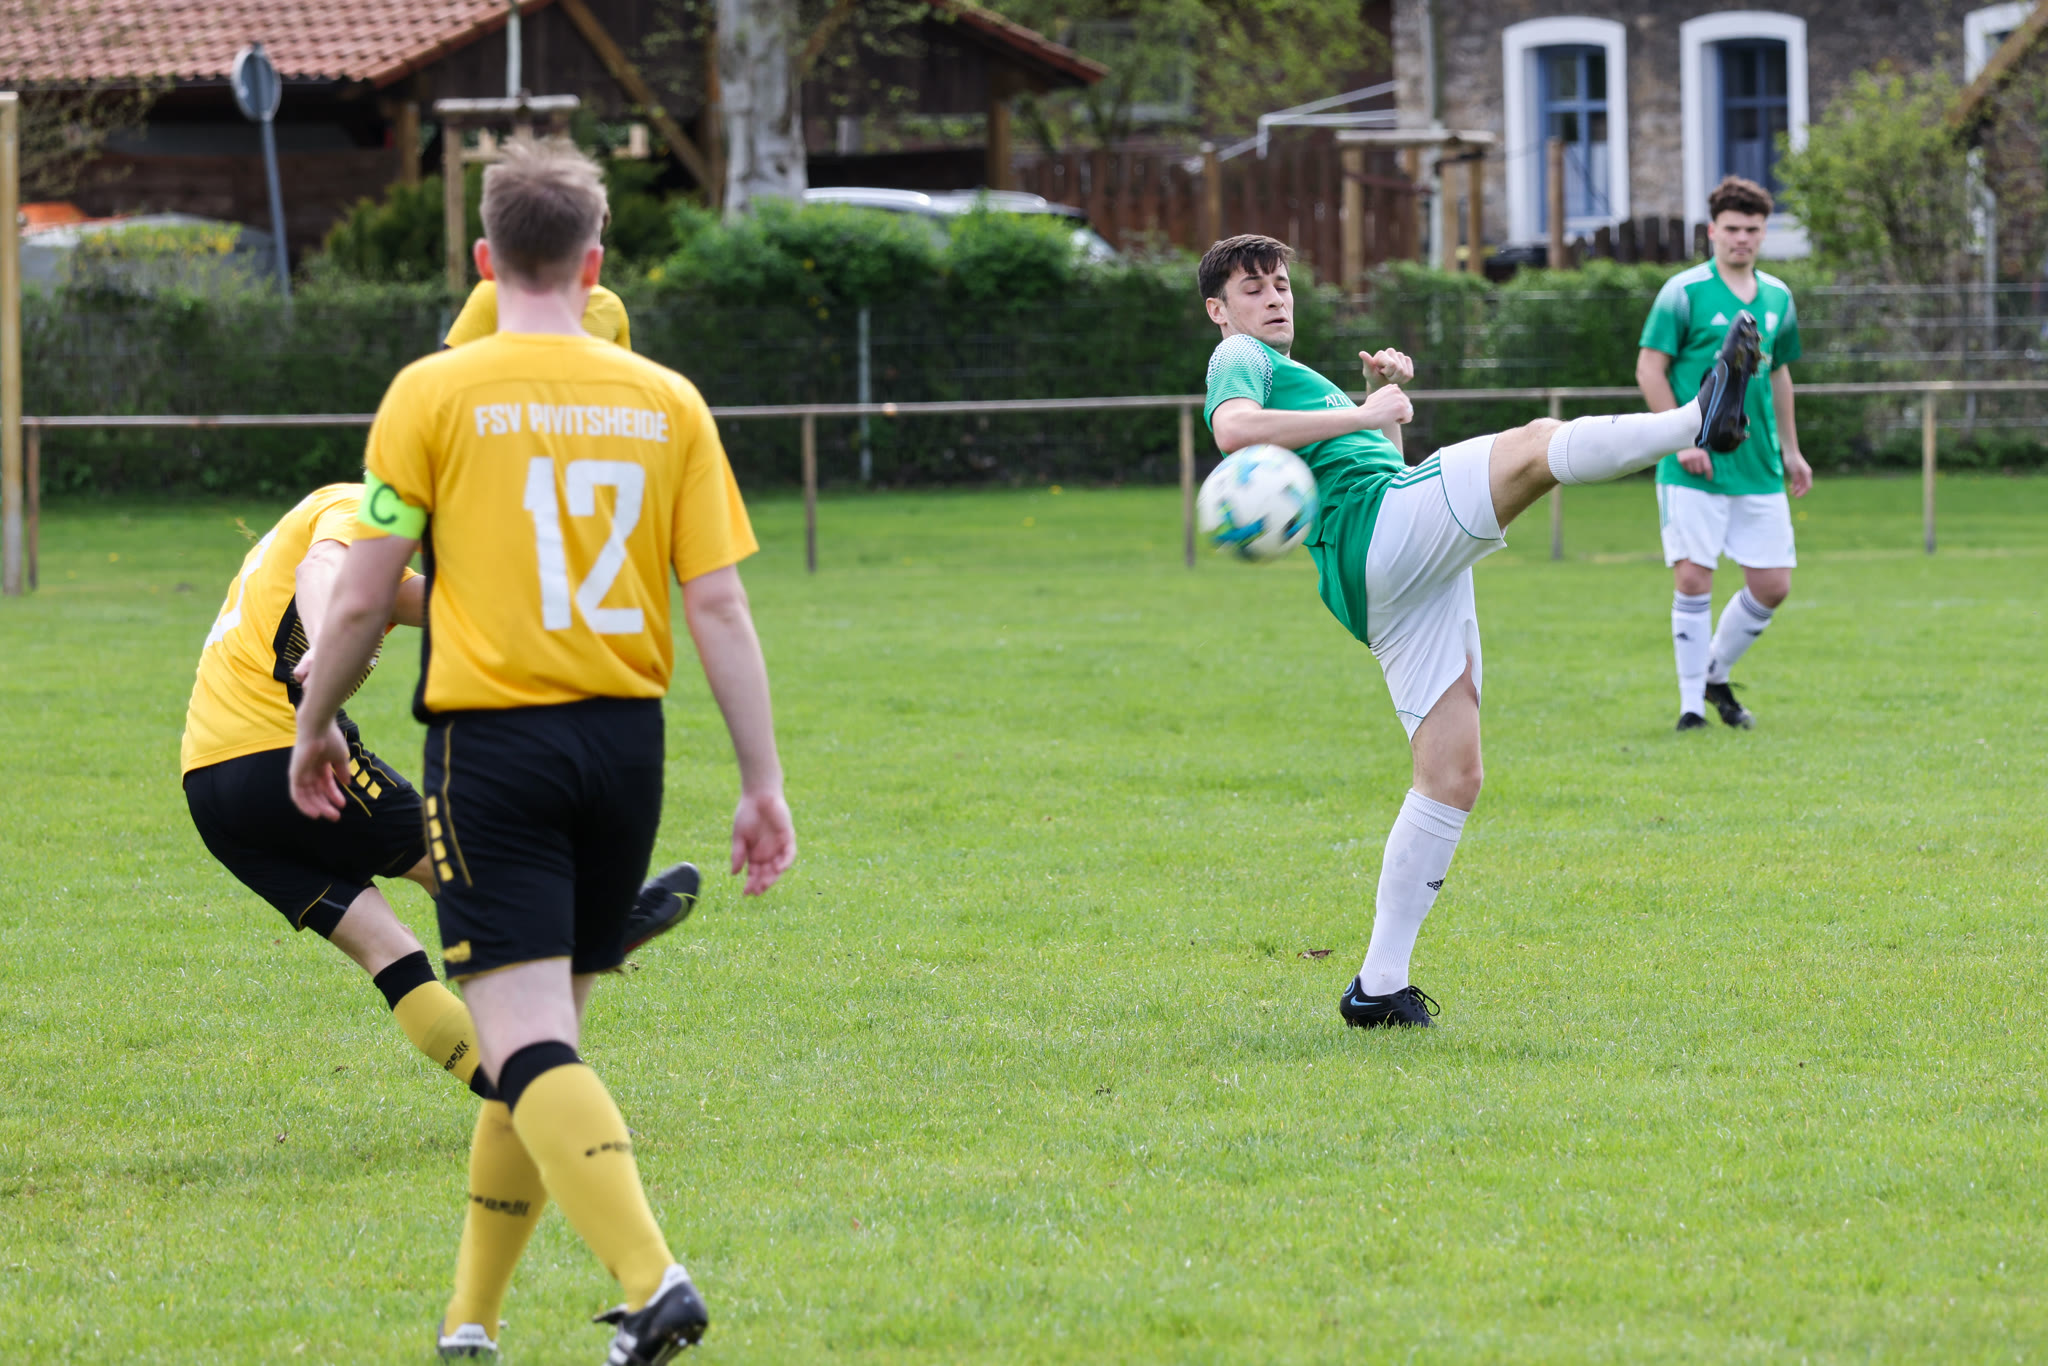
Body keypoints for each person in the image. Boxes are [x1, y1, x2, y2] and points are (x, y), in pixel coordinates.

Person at [288, 134, 795, 1363]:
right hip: (626, 748)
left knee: (521, 1037)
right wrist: (761, 779)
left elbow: (360, 596)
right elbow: (719, 605)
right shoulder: (665, 400)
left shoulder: (431, 393)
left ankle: (653, 1277)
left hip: (495, 751)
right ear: (594, 261)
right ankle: (469, 1320)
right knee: (541, 1034)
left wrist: (312, 725)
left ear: (483, 258)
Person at [1199, 233, 1759, 1029]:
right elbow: (1232, 430)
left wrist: (1375, 400)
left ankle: (1377, 988)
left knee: (1451, 777)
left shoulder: (1302, 381)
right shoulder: (1240, 358)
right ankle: (1698, 418)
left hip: (1381, 570)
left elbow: (1383, 469)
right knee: (1533, 445)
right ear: (1219, 310)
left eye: (1281, 284)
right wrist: (1365, 409)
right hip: (1374, 536)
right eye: (1253, 289)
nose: (1274, 298)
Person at [180, 483, 491, 1093]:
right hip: (282, 749)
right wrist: (322, 670)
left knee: (388, 949)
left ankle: (524, 1097)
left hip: (212, 787)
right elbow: (318, 569)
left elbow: (438, 603)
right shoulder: (361, 505)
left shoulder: (363, 545)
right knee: (464, 868)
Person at [1636, 175, 1811, 732]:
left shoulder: (1778, 297)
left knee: (1773, 585)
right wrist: (1680, 440)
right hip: (1694, 465)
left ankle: (1714, 673)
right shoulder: (1683, 292)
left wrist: (1792, 451)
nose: (1742, 238)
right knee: (1693, 579)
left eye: (1752, 230)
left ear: (1763, 233)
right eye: (1732, 228)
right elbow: (1649, 369)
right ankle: (1691, 708)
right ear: (1713, 231)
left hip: (1757, 465)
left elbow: (1779, 375)